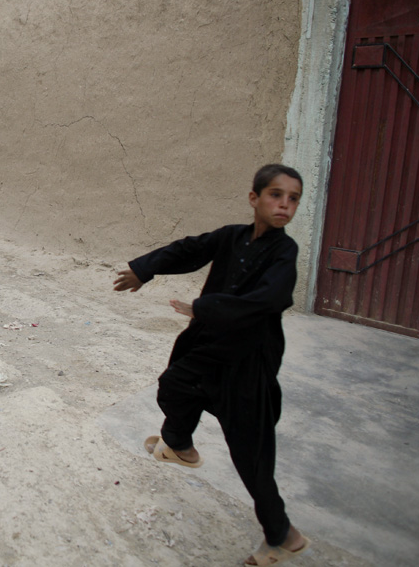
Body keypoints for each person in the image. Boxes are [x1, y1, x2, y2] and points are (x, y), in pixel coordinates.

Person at [113, 164, 311, 566]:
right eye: (276, 195)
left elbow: (269, 300)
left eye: (293, 199)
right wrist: (143, 268)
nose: (285, 205)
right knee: (174, 384)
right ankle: (180, 446)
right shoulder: (231, 237)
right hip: (211, 346)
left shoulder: (284, 253)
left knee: (250, 456)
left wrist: (201, 308)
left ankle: (282, 536)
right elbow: (190, 249)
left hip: (248, 364)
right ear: (254, 198)